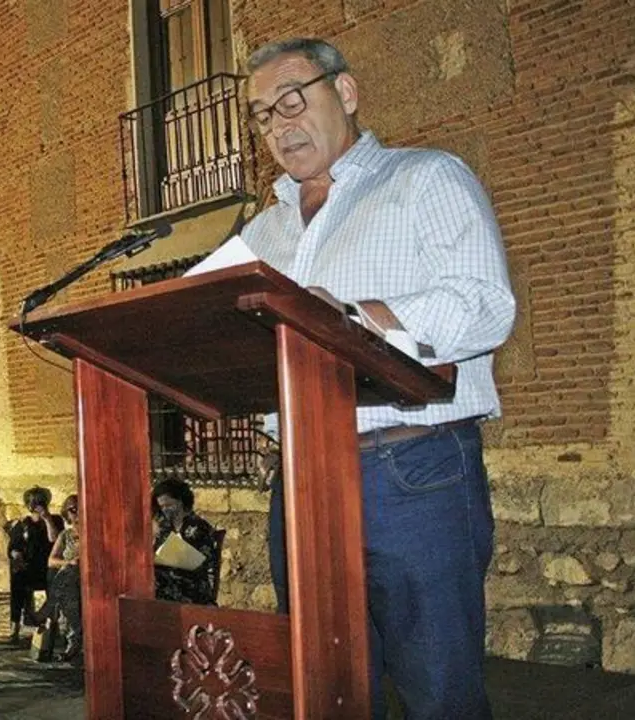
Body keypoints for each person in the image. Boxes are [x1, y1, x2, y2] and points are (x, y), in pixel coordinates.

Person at [200, 38, 515, 719]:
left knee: (440, 694)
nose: (279, 125)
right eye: (261, 115)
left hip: (412, 470)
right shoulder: (260, 237)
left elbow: (486, 307)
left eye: (292, 99)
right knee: (326, 691)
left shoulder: (426, 178)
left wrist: (353, 317)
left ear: (344, 94)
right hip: (299, 482)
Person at [151, 479, 219, 606]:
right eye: (162, 507)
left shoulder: (197, 526)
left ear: (181, 501)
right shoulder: (164, 527)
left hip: (191, 583)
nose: (166, 510)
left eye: (169, 505)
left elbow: (203, 560)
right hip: (167, 578)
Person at [6, 486, 61, 643]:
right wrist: (16, 555)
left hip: (48, 566)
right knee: (17, 580)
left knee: (54, 582)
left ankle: (51, 626)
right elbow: (13, 548)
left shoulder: (55, 520)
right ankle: (14, 627)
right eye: (33, 502)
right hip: (29, 567)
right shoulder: (23, 524)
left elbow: (54, 540)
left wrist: (47, 518)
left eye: (39, 501)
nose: (37, 505)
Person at [42, 494, 82, 662]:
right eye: (72, 510)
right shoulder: (65, 535)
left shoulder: (95, 531)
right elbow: (51, 560)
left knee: (68, 576)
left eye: (80, 508)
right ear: (67, 514)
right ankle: (74, 641)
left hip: (89, 577)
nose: (77, 512)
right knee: (68, 580)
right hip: (70, 579)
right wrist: (68, 561)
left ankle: (46, 609)